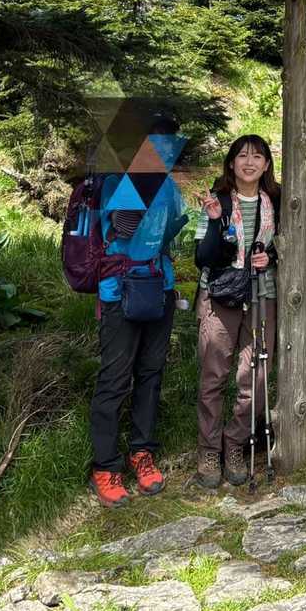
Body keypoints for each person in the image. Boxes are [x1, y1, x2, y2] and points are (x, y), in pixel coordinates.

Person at [88, 112, 190, 508]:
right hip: (119, 292)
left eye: (167, 143)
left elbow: (172, 233)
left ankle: (141, 452)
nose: (162, 150)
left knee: (150, 373)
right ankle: (105, 466)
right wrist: (145, 174)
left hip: (158, 288)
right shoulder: (117, 181)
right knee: (115, 379)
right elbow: (125, 227)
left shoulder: (167, 185)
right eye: (155, 142)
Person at [193, 134, 282, 487]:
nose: (249, 162)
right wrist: (216, 222)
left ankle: (235, 444)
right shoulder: (215, 200)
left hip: (263, 294)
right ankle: (208, 449)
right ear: (231, 162)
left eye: (257, 156)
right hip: (220, 295)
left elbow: (286, 244)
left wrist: (270, 256)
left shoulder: (276, 201)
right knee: (213, 375)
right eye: (242, 156)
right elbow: (203, 257)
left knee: (255, 375)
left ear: (266, 164)